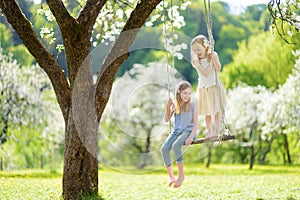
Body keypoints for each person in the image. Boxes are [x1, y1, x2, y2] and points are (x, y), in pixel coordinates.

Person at [161, 81, 198, 188]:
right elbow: (167, 119)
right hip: (176, 131)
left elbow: (196, 125)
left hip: (188, 131)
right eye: (185, 93)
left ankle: (181, 176)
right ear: (179, 92)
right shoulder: (175, 105)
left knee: (176, 145)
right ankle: (172, 177)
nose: (187, 96)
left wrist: (191, 137)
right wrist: (168, 107)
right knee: (164, 149)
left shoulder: (192, 105)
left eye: (189, 93)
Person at [190, 34, 226, 139]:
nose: (197, 52)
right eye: (194, 50)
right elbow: (206, 73)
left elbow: (218, 68)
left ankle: (217, 131)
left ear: (205, 47)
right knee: (207, 111)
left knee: (216, 110)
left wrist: (214, 58)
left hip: (214, 85)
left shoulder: (213, 55)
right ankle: (209, 132)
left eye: (198, 49)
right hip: (203, 88)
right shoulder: (196, 61)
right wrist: (211, 61)